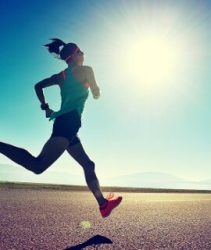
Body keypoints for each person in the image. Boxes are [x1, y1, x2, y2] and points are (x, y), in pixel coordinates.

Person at [0, 38, 122, 218]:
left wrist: (45, 107)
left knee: (88, 164)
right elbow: (96, 95)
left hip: (67, 123)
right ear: (74, 55)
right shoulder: (86, 70)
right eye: (81, 52)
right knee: (38, 166)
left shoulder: (61, 76)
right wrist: (94, 89)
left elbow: (38, 86)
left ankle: (103, 205)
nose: (84, 54)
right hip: (68, 123)